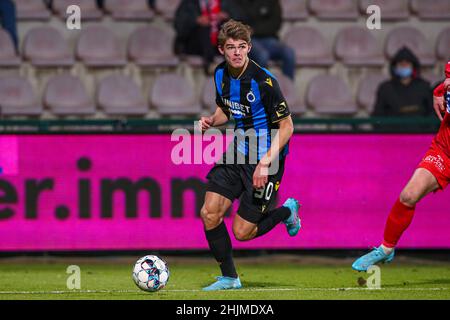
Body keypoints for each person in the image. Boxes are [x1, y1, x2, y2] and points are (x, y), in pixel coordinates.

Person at [198, 19, 301, 291]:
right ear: (222, 50)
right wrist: (212, 119)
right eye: (231, 47)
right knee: (209, 213)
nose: (237, 52)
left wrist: (265, 162)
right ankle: (230, 278)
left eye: (242, 47)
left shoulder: (264, 81)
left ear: (249, 48)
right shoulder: (220, 75)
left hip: (268, 158)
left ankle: (287, 211)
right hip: (238, 152)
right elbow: (228, 109)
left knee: (243, 232)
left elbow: (288, 126)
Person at [352, 61, 450, 272]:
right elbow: (445, 83)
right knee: (408, 195)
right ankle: (386, 249)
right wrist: (440, 88)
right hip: (444, 150)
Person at [174, 0, 241, 75]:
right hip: (193, 44)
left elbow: (240, 21)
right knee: (204, 28)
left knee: (225, 28)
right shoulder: (189, 2)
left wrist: (227, 17)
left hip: (217, 45)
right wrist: (196, 21)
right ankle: (210, 64)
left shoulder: (224, 2)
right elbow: (179, 26)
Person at [234, 0, 296, 80]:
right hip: (248, 40)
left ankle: (287, 88)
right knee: (262, 55)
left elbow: (276, 24)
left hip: (269, 39)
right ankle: (262, 89)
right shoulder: (240, 2)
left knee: (289, 53)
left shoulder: (271, 2)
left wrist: (254, 30)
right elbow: (238, 22)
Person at [372, 47, 433, 119]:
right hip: (392, 129)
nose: (404, 67)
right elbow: (378, 117)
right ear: (394, 68)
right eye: (401, 64)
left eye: (407, 64)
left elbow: (432, 114)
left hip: (420, 129)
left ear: (413, 67)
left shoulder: (424, 87)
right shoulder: (385, 89)